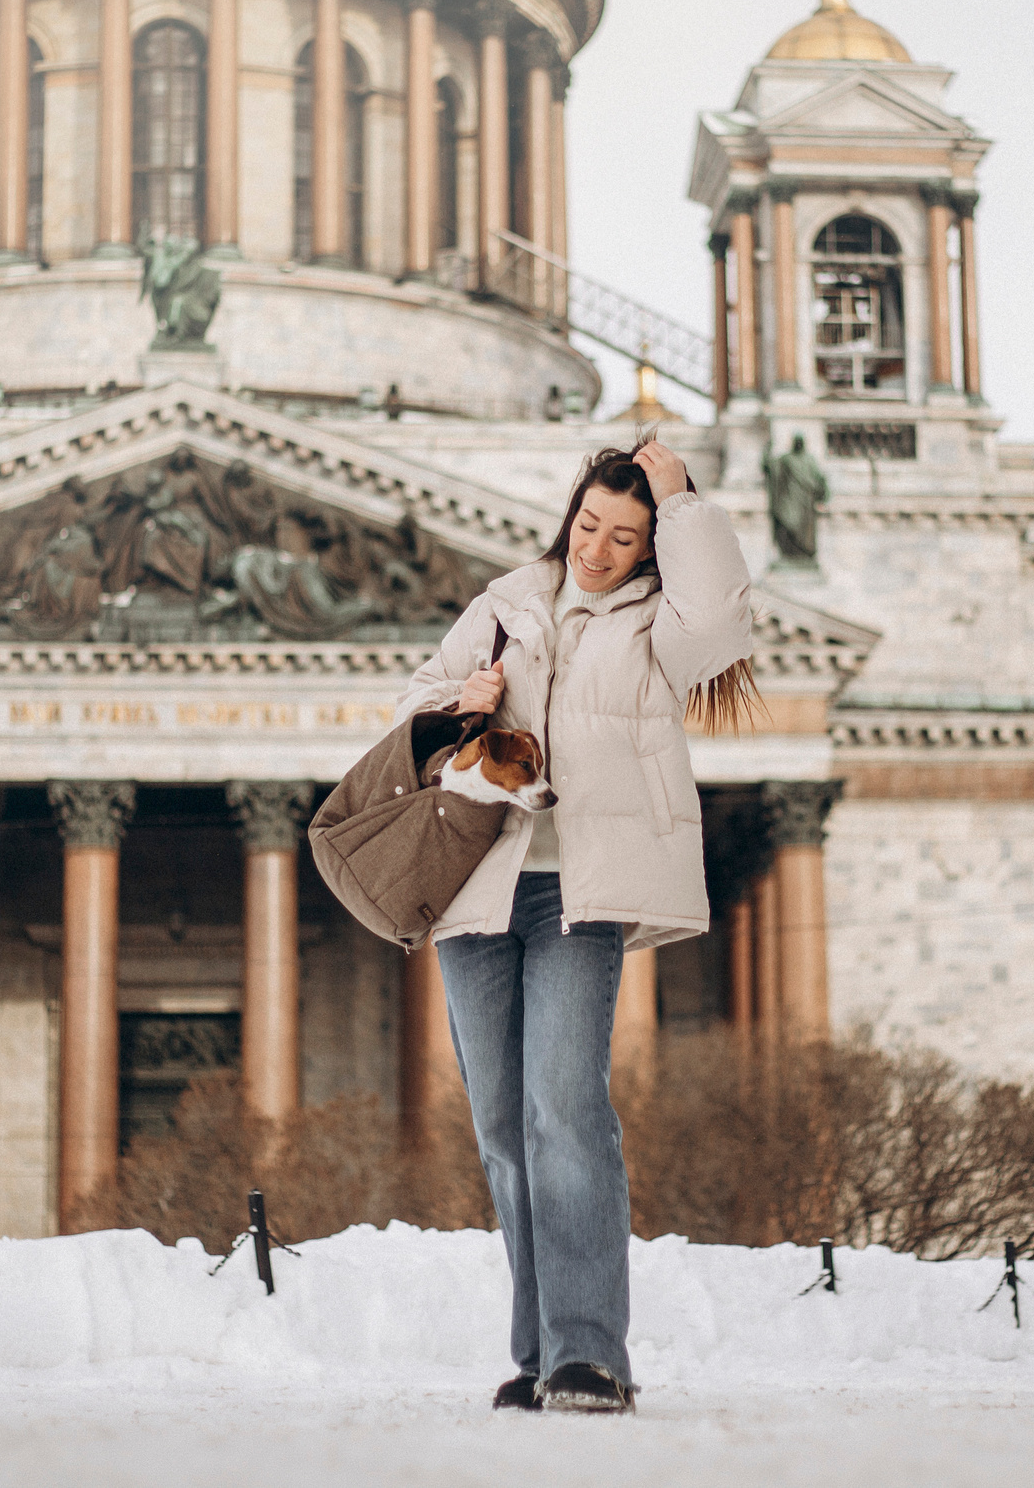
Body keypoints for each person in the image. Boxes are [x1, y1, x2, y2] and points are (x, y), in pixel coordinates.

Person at [396, 437, 758, 1415]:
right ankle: (536, 1351)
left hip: (577, 893)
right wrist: (455, 704)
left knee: (567, 1112)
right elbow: (414, 703)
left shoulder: (657, 625)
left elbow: (724, 621)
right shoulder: (507, 600)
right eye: (589, 525)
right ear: (569, 518)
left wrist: (680, 502)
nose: (598, 548)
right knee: (506, 1131)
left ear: (647, 548)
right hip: (476, 886)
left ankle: (588, 1353)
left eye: (625, 535)